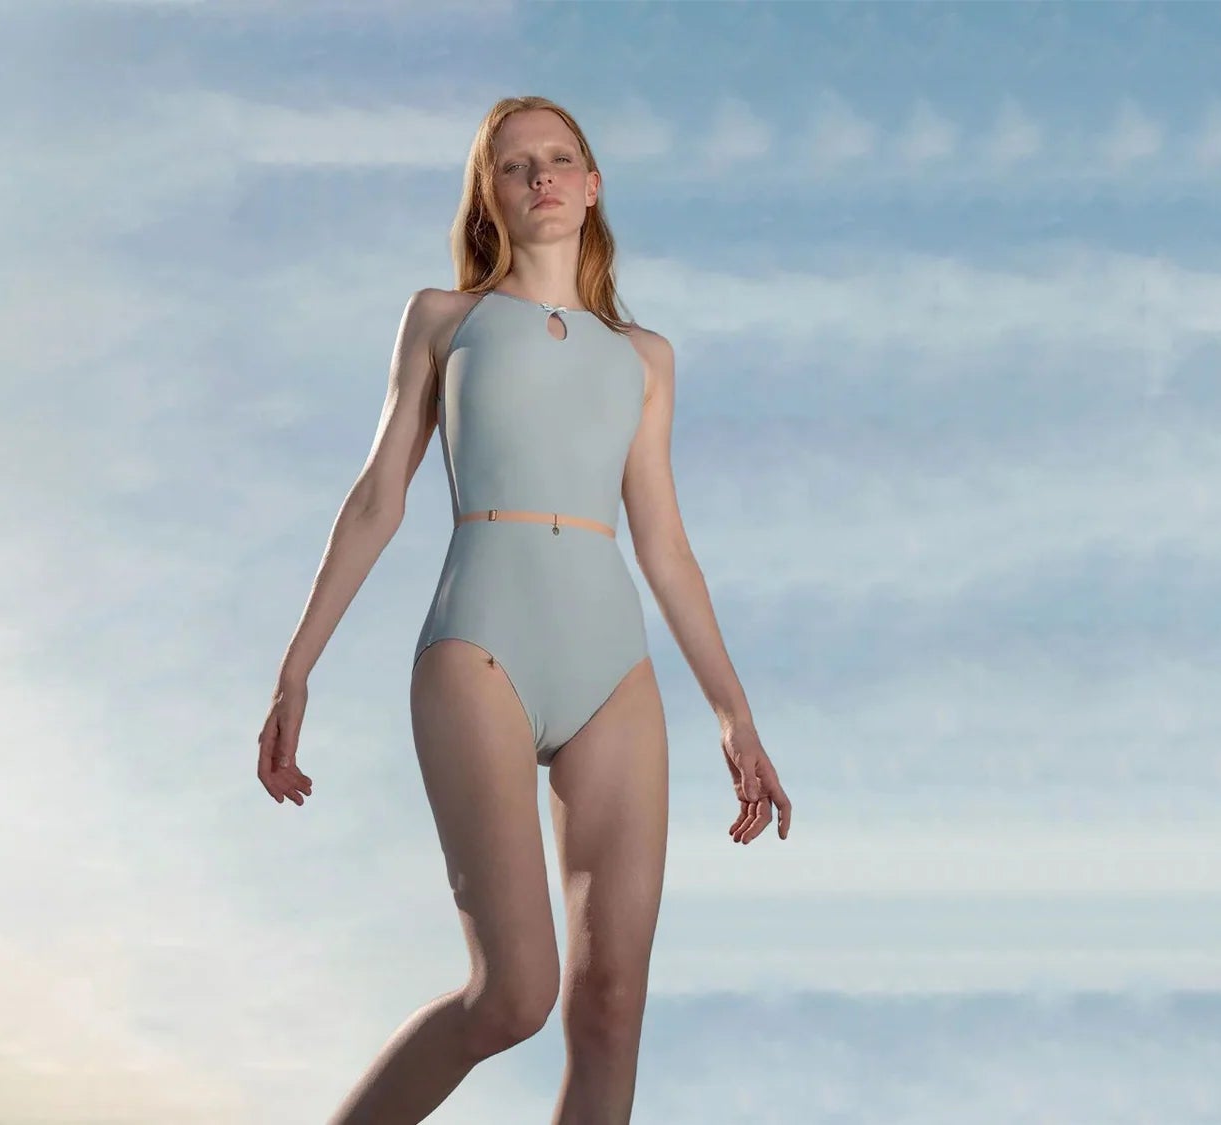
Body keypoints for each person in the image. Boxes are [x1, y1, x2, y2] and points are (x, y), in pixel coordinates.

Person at [252, 95, 794, 1125]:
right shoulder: (443, 320)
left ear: (591, 186)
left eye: (558, 158)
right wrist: (296, 667)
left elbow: (666, 546)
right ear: (489, 198)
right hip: (480, 647)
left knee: (613, 1005)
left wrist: (735, 715)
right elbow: (376, 499)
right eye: (514, 165)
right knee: (513, 995)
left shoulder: (644, 358)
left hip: (612, 666)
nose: (540, 175)